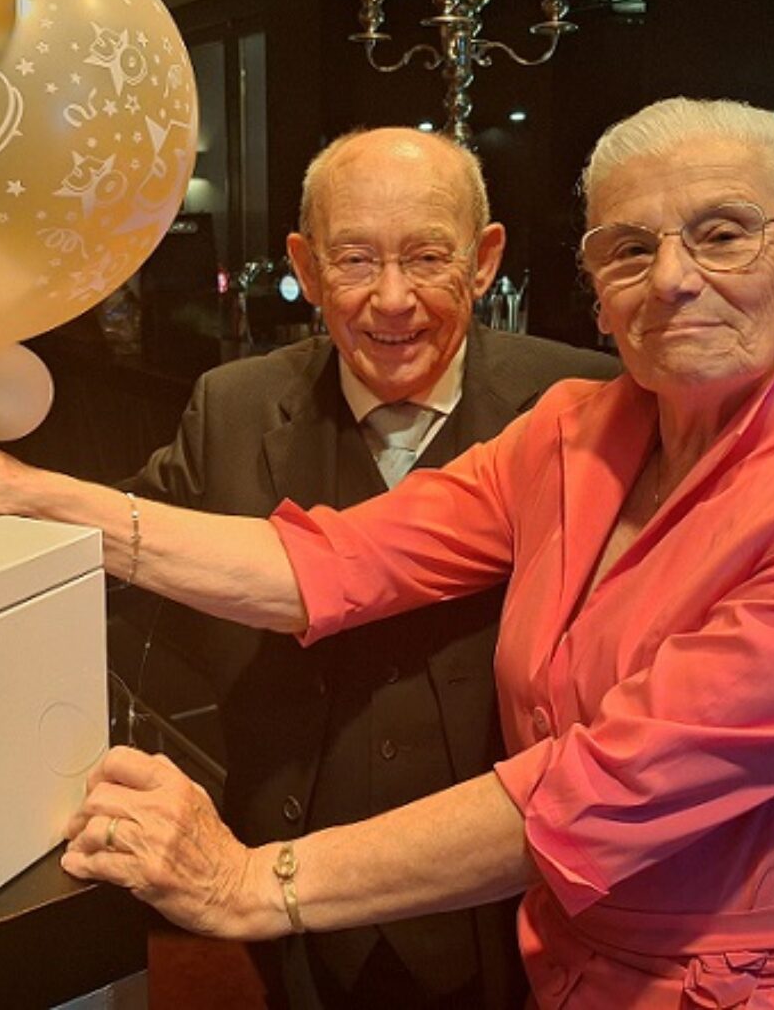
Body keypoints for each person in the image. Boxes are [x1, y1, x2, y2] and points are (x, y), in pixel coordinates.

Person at [0, 99, 774, 1008]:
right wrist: (9, 488)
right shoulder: (575, 431)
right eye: (628, 248)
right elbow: (328, 564)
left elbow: (602, 789)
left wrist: (251, 882)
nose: (672, 278)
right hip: (580, 966)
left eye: (723, 233)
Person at [118, 126, 616, 1008]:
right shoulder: (232, 407)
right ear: (306, 268)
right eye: (354, 260)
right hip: (289, 907)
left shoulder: (587, 405)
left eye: (427, 256)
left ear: (484, 259)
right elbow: (119, 556)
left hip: (519, 910)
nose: (393, 300)